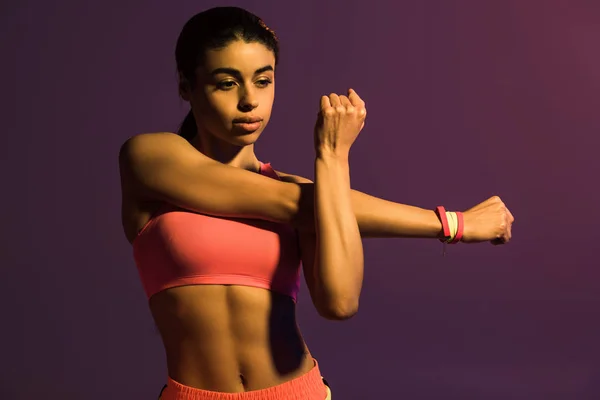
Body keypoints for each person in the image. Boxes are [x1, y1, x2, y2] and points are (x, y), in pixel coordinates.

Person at [118, 6, 514, 400]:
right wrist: (455, 224)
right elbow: (290, 203)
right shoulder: (150, 159)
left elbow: (340, 303)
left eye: (263, 81)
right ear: (186, 86)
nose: (249, 101)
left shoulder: (314, 194)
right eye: (226, 83)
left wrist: (333, 157)